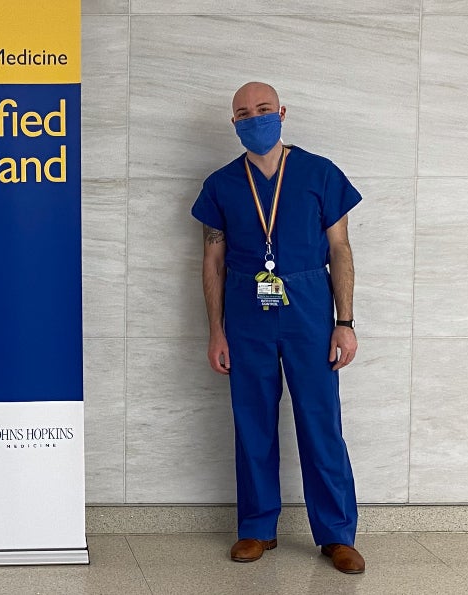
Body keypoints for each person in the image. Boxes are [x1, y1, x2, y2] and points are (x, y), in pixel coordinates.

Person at [190, 82, 365, 574]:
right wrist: (216, 330)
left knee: (320, 421)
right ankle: (256, 527)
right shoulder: (221, 184)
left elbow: (340, 251)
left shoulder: (320, 174)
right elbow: (213, 260)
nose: (255, 118)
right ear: (234, 122)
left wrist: (344, 322)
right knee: (252, 421)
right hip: (247, 311)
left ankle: (336, 534)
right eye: (244, 112)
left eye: (263, 109)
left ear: (282, 112)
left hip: (309, 305)